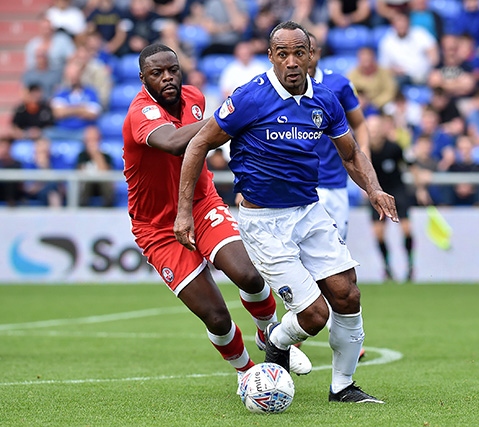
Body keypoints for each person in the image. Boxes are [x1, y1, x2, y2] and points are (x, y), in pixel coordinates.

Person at [174, 21, 397, 403]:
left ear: (312, 56)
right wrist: (184, 213)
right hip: (264, 223)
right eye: (283, 54)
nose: (292, 61)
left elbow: (351, 153)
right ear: (271, 57)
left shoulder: (325, 100)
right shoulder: (250, 98)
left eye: (299, 53)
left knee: (347, 296)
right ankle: (275, 344)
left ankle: (342, 387)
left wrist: (374, 189)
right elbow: (198, 145)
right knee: (314, 315)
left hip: (309, 212)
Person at [122, 43, 312, 393]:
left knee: (249, 276)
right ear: (142, 79)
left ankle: (269, 333)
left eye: (172, 70)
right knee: (216, 316)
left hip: (202, 203)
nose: (167, 78)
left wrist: (235, 116)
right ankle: (247, 374)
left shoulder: (194, 97)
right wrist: (238, 112)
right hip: (157, 228)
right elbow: (178, 142)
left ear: (181, 71)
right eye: (156, 73)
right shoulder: (139, 113)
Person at [308, 32, 369, 240]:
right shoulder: (278, 87)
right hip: (299, 182)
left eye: (310, 50)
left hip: (334, 180)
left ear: (318, 53)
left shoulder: (339, 84)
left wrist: (364, 159)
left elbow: (359, 124)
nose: (306, 56)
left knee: (337, 246)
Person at [367, 113, 414, 282]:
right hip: (377, 193)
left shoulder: (394, 147)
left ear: (382, 129)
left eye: (376, 128)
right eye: (370, 129)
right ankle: (387, 268)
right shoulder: (365, 151)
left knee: (407, 229)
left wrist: (420, 186)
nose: (373, 132)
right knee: (378, 233)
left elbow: (408, 165)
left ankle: (410, 267)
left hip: (397, 191)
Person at [76, 125, 115, 207]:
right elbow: (79, 174)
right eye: (89, 140)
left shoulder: (106, 156)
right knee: (85, 184)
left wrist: (96, 155)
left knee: (105, 184)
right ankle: (82, 208)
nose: (92, 143)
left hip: (101, 185)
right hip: (87, 185)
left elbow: (107, 174)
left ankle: (108, 208)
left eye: (94, 140)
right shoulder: (81, 156)